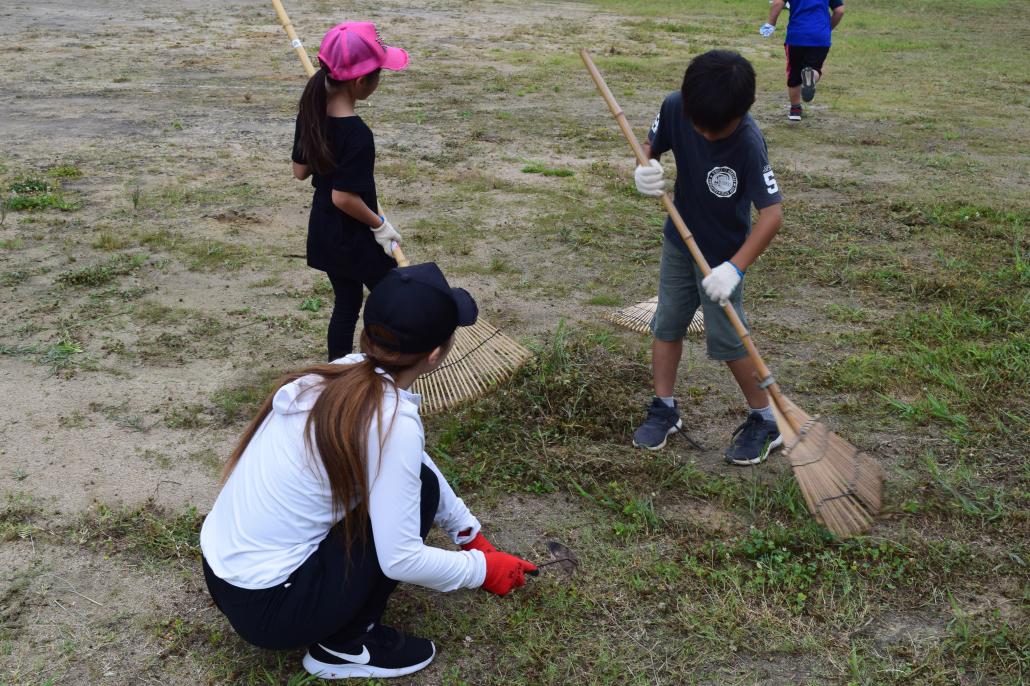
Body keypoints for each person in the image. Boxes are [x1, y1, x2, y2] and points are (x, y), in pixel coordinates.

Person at [200, 262, 538, 680]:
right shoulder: (392, 419)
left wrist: (469, 534)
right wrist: (483, 570)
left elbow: (413, 464)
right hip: (272, 609)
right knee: (421, 494)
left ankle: (330, 621)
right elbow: (400, 560)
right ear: (435, 355)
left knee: (423, 485)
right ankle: (343, 648)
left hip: (223, 576)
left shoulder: (338, 373)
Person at [631, 50, 785, 466]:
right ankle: (664, 407)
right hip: (679, 243)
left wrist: (734, 268)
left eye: (717, 129)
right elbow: (649, 146)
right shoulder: (677, 105)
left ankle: (766, 419)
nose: (706, 134)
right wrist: (645, 168)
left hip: (723, 257)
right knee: (667, 323)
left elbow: (772, 214)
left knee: (729, 341)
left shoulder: (749, 143)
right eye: (699, 126)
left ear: (743, 112)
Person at [292, 22, 408, 361]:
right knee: (391, 296)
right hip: (353, 235)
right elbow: (343, 197)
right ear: (360, 82)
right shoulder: (357, 134)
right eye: (379, 74)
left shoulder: (311, 112)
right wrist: (379, 225)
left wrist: (322, 147)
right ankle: (390, 363)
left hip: (325, 232)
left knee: (346, 301)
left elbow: (300, 171)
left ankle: (338, 369)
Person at [760, 0, 845, 121]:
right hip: (820, 36)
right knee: (815, 68)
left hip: (796, 36)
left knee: (794, 73)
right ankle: (811, 78)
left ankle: (795, 110)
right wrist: (828, 28)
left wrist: (771, 24)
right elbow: (839, 11)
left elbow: (777, 3)